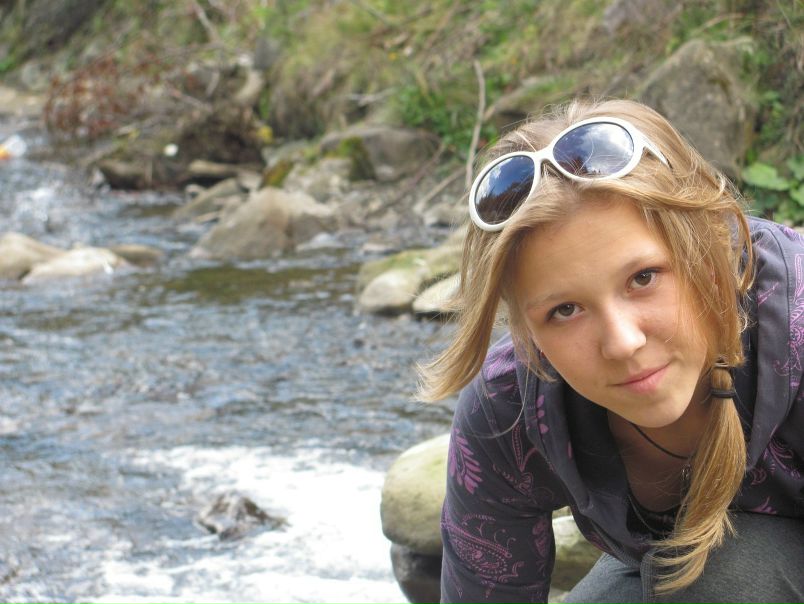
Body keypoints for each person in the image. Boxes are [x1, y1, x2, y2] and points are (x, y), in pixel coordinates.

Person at [419, 98, 804, 603]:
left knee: (720, 585)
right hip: (668, 567)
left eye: (643, 278)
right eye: (564, 310)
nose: (623, 343)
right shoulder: (507, 410)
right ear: (527, 332)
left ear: (708, 259)